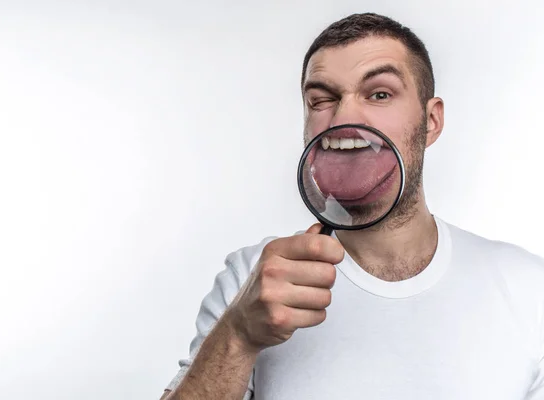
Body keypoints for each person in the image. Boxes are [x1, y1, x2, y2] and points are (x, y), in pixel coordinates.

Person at [160, 12, 544, 400]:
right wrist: (238, 335)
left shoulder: (530, 289)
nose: (343, 118)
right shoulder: (251, 278)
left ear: (431, 121)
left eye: (379, 94)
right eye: (322, 99)